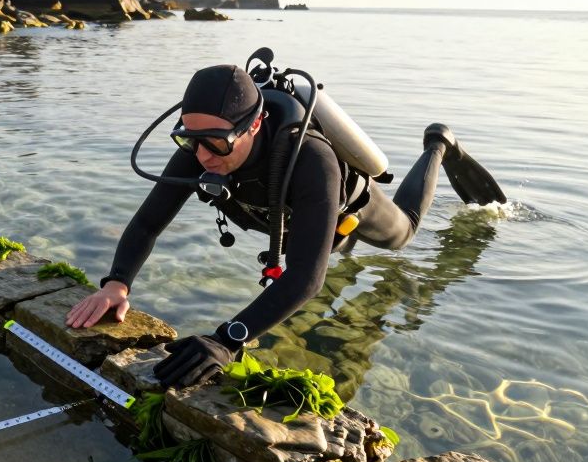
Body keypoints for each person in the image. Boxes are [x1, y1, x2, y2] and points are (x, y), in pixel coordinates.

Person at [64, 63, 504, 389]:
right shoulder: (201, 148)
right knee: (321, 263)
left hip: (348, 205)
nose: (203, 155)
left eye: (216, 142)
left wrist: (227, 339)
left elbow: (306, 278)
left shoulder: (311, 159)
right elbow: (147, 223)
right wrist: (117, 284)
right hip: (288, 218)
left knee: (403, 234)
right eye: (189, 139)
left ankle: (438, 145)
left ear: (254, 124)